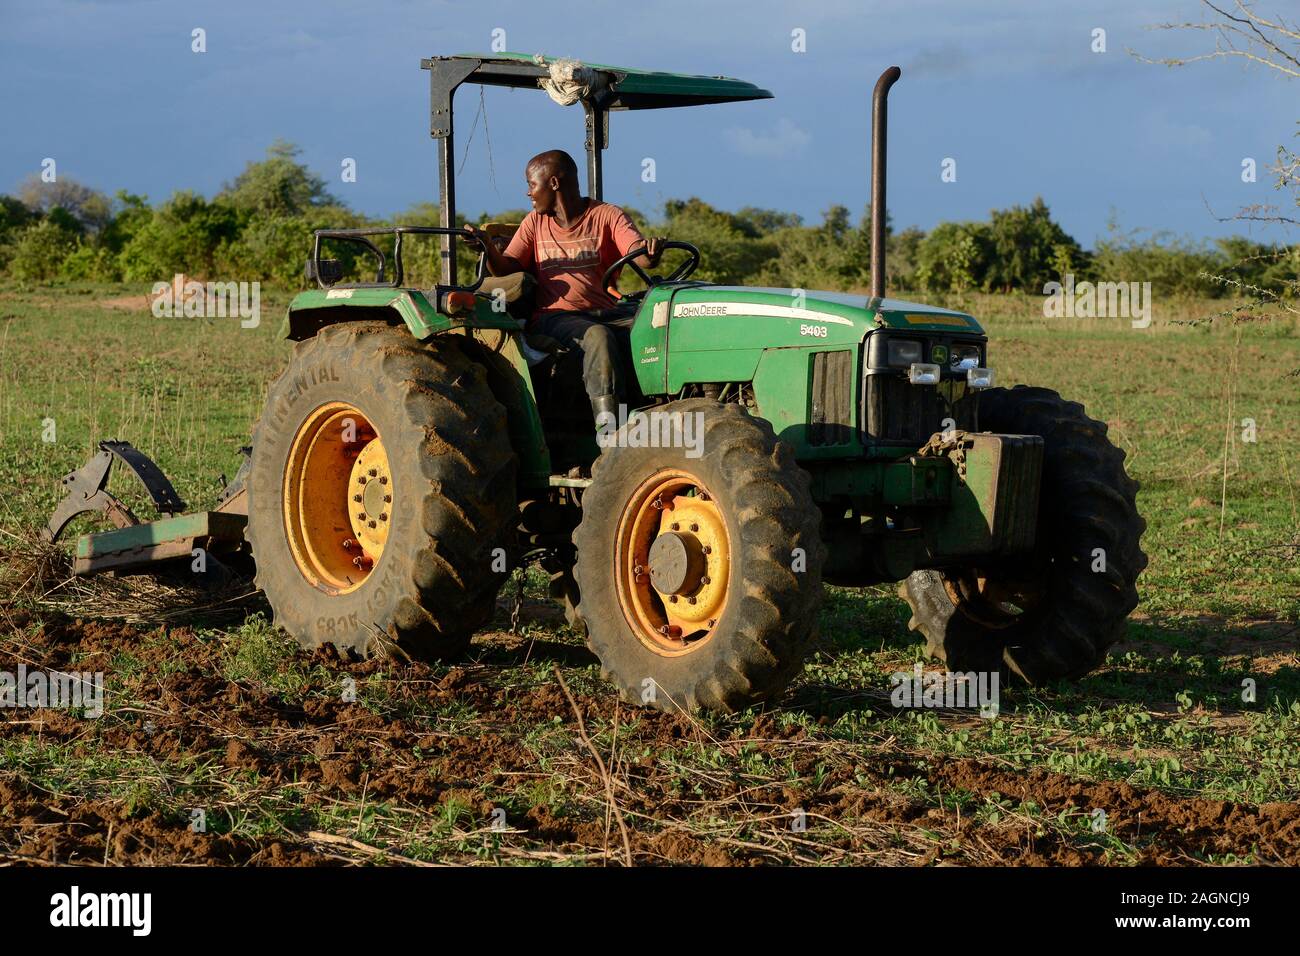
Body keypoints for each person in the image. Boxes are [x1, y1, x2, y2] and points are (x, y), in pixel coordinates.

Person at [465, 149, 660, 424]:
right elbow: (508, 267)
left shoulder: (607, 215)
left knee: (660, 326)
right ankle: (611, 433)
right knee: (598, 337)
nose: (528, 193)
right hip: (555, 318)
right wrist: (488, 247)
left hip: (606, 311)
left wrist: (649, 253)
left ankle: (658, 411)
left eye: (532, 185)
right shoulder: (535, 222)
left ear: (554, 183)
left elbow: (639, 254)